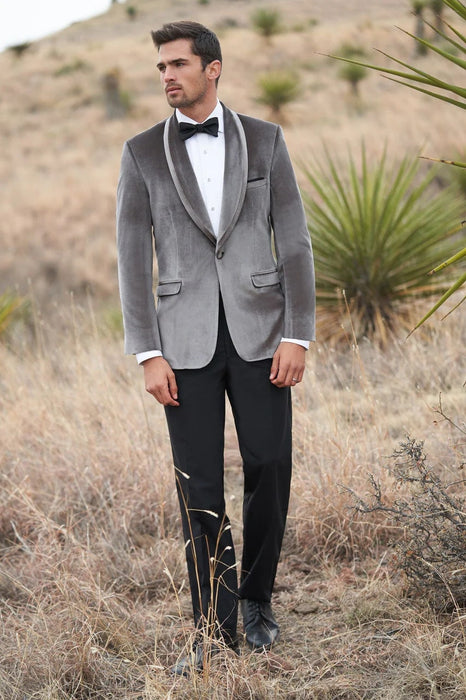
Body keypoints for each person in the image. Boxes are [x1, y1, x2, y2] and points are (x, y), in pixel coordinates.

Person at [116, 20, 315, 676]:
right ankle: (214, 624)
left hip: (263, 335)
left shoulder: (266, 139)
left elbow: (294, 241)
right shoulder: (141, 153)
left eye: (178, 64)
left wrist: (297, 333)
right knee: (198, 485)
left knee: (271, 466)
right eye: (161, 67)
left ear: (213, 68)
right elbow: (131, 261)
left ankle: (255, 599)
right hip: (183, 346)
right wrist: (147, 352)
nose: (167, 75)